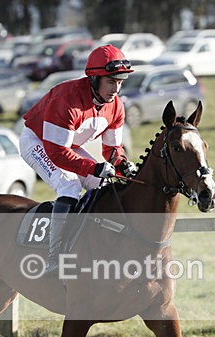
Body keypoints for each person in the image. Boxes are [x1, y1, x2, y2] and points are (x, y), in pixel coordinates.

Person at [19, 44, 137, 275]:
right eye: (111, 82)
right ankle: (54, 258)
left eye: (120, 82)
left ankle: (90, 245)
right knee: (70, 185)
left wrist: (123, 165)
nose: (116, 89)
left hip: (68, 146)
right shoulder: (67, 100)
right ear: (94, 79)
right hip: (38, 142)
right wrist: (94, 167)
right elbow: (57, 154)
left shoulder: (116, 107)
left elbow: (113, 149)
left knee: (101, 186)